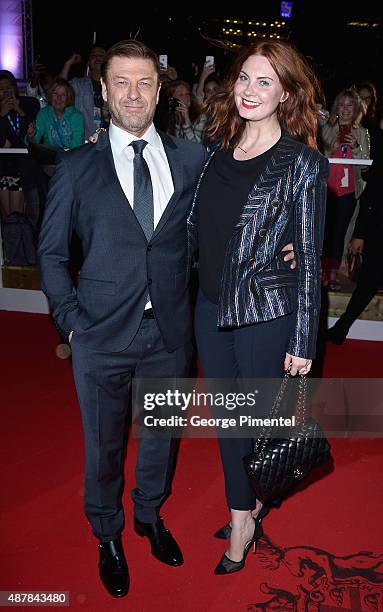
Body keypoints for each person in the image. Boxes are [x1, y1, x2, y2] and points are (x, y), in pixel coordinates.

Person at [38, 39, 208, 598]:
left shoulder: (190, 158)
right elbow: (52, 253)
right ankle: (107, 533)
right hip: (100, 336)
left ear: (159, 92)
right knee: (104, 445)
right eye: (123, 84)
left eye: (144, 83)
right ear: (105, 92)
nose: (134, 94)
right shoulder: (75, 166)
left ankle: (148, 516)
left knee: (161, 436)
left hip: (169, 335)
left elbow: (208, 238)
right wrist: (70, 321)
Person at [187, 39, 329, 575]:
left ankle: (242, 517)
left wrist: (304, 340)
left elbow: (311, 260)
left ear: (286, 92)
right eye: (244, 78)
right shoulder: (216, 145)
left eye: (265, 81)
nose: (250, 90)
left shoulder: (303, 165)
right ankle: (247, 504)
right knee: (229, 419)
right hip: (209, 308)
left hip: (267, 314)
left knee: (258, 418)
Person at [326, 129, 383, 344]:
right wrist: (360, 233)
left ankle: (341, 328)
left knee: (369, 281)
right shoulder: (377, 138)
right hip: (378, 227)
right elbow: (374, 192)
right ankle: (341, 328)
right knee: (368, 281)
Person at [321, 88, 370, 286]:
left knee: (341, 233)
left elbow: (366, 168)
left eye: (350, 105)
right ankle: (322, 273)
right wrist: (330, 129)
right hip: (326, 189)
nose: (346, 109)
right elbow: (320, 152)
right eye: (342, 104)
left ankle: (333, 274)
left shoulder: (362, 132)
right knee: (324, 231)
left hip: (349, 190)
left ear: (356, 108)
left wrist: (357, 148)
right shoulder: (326, 127)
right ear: (337, 108)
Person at [60, 46, 109, 139]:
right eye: (94, 55)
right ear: (89, 62)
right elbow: (58, 89)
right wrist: (68, 64)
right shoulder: (78, 84)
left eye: (101, 55)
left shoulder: (116, 85)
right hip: (85, 142)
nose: (97, 57)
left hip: (110, 143)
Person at [26, 78, 84, 150]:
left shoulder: (77, 116)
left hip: (70, 158)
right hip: (50, 158)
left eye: (63, 95)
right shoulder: (43, 114)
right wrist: (31, 136)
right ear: (50, 95)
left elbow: (76, 147)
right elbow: (33, 143)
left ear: (68, 98)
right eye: (55, 94)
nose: (58, 98)